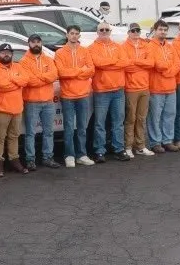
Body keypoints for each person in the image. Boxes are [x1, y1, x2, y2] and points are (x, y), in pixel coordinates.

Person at [56, 28, 97, 165]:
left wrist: (74, 73)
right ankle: (69, 155)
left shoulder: (84, 51)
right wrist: (80, 71)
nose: (74, 36)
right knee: (68, 127)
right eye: (71, 33)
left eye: (76, 34)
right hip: (68, 95)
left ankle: (82, 154)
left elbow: (91, 70)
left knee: (81, 127)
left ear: (79, 35)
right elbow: (62, 73)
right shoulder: (60, 53)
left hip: (83, 94)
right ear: (67, 35)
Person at [87, 26, 130, 157]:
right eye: (101, 30)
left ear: (110, 32)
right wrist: (115, 63)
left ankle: (119, 149)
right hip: (101, 91)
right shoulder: (91, 48)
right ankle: (100, 150)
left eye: (107, 30)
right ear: (97, 32)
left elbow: (125, 62)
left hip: (118, 91)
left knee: (118, 122)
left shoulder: (118, 46)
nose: (104, 32)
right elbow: (98, 63)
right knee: (100, 123)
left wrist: (108, 65)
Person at [20, 34, 60, 170]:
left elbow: (54, 75)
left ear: (41, 43)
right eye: (33, 42)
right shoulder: (23, 61)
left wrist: (40, 77)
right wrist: (45, 78)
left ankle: (48, 157)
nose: (36, 44)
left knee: (48, 132)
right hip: (32, 102)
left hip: (48, 101)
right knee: (31, 133)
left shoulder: (48, 59)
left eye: (38, 42)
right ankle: (30, 160)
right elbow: (28, 80)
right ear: (29, 44)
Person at [0, 43, 27, 173]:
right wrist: (16, 81)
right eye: (4, 52)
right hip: (1, 109)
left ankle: (14, 160)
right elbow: (1, 85)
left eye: (9, 53)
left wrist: (13, 80)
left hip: (17, 108)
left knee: (14, 136)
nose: (6, 55)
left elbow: (25, 80)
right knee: (0, 137)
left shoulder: (17, 66)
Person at [148, 23, 179, 149]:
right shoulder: (150, 46)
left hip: (171, 87)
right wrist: (168, 68)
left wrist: (169, 72)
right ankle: (155, 142)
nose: (163, 32)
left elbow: (177, 64)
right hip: (156, 87)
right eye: (160, 29)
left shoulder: (170, 47)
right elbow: (157, 64)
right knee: (155, 117)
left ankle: (167, 140)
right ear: (155, 30)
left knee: (170, 115)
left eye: (165, 30)